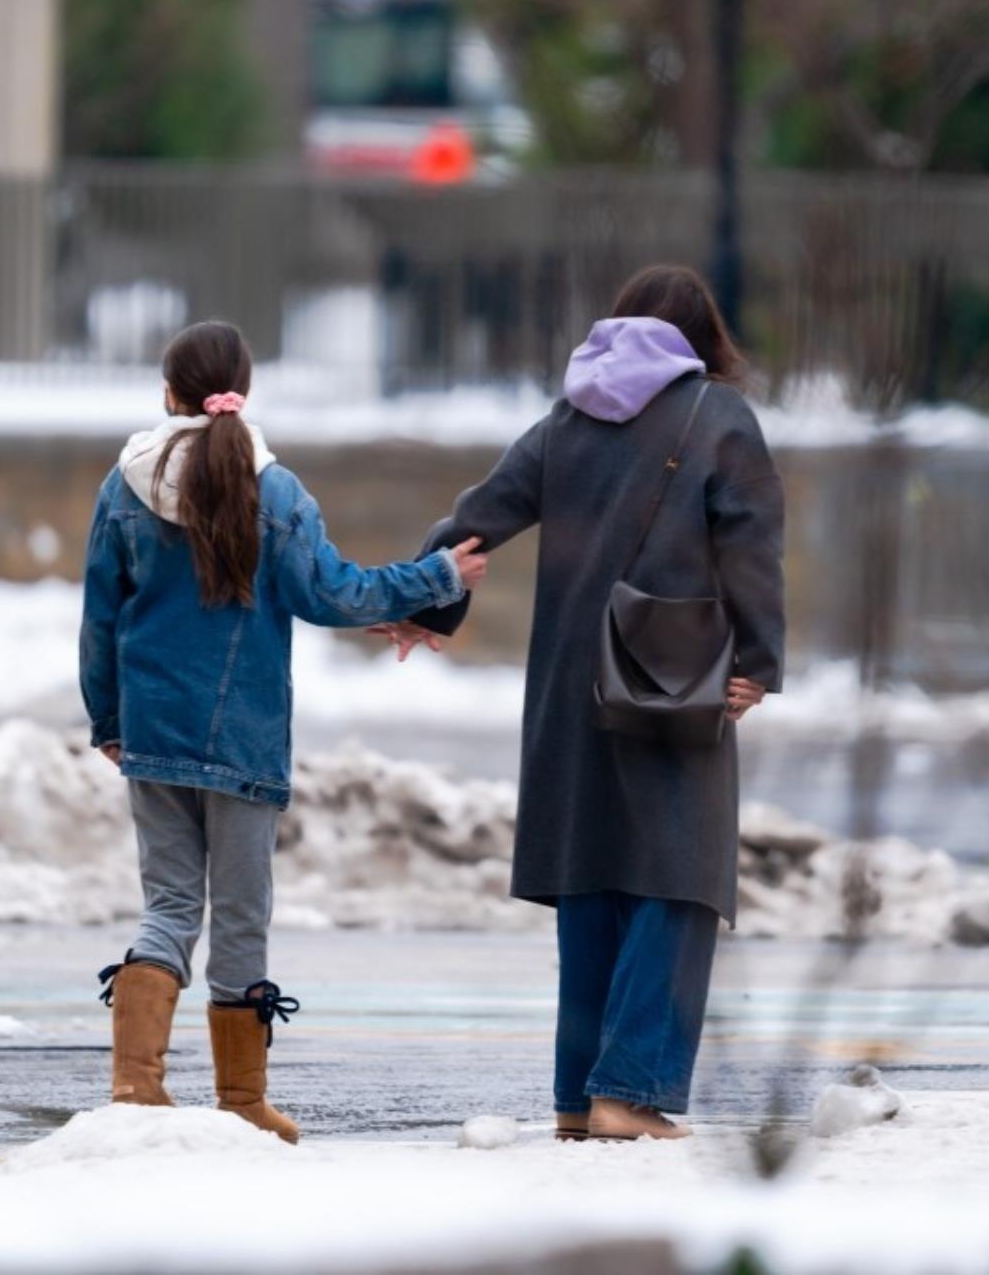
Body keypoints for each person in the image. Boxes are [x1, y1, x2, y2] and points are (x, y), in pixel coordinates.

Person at [374, 265, 784, 1141]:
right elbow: (751, 544)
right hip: (675, 681)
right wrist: (758, 659)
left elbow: (479, 514)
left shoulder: (567, 420)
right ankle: (626, 1095)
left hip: (570, 680)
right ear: (704, 337)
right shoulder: (719, 417)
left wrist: (424, 600)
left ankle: (576, 1095)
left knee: (594, 876)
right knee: (679, 876)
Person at [80, 320, 488, 1144]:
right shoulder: (275, 491)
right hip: (244, 739)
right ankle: (240, 1103)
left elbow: (99, 615)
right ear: (244, 391)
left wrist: (110, 721)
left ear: (169, 394)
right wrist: (434, 580)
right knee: (239, 914)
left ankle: (135, 1086)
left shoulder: (123, 486)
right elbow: (331, 593)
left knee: (165, 907)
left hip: (154, 732)